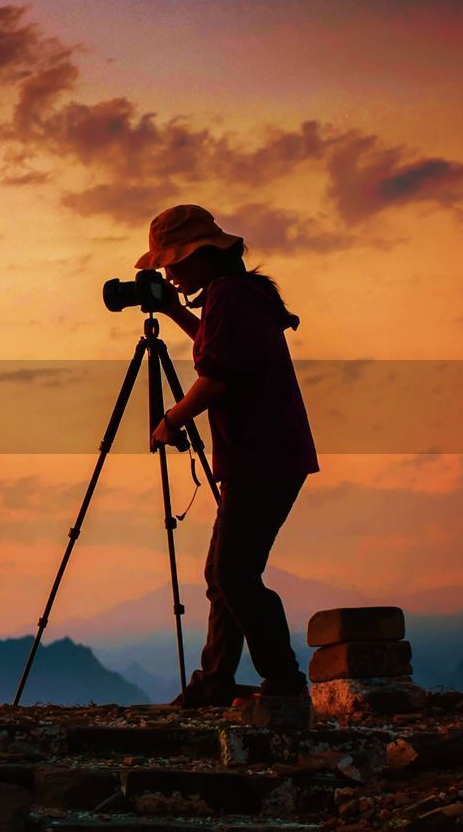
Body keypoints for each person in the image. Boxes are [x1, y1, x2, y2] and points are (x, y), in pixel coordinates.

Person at [139, 203, 319, 708]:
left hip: (262, 456)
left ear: (201, 255)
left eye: (173, 263)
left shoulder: (229, 298)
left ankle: (283, 683)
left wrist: (171, 420)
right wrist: (176, 312)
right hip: (267, 454)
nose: (169, 274)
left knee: (234, 574)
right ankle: (216, 681)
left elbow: (218, 376)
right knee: (225, 572)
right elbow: (223, 349)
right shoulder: (235, 294)